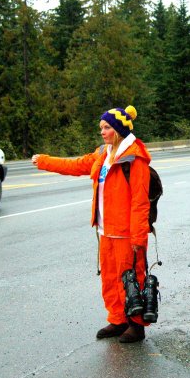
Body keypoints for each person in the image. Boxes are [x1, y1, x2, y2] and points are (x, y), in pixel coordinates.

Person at [31, 105, 152, 343]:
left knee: (132, 279)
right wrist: (44, 161)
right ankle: (117, 320)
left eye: (106, 127)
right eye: (101, 128)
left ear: (118, 129)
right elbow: (75, 165)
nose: (102, 132)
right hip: (105, 231)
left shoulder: (135, 159)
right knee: (109, 278)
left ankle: (136, 326)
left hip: (127, 234)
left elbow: (140, 202)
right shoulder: (103, 154)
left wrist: (139, 238)